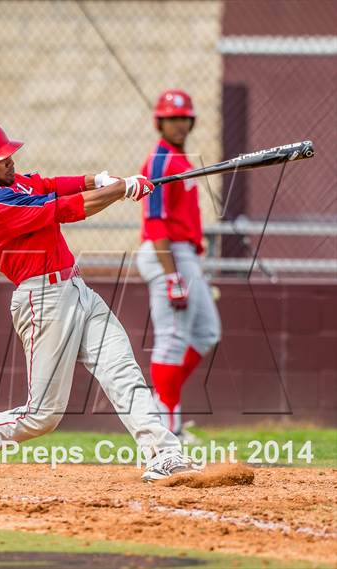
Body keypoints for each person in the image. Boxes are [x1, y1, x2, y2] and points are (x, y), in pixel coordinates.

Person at [0, 120, 200, 482]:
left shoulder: (7, 181)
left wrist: (98, 180)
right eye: (1, 159)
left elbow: (49, 184)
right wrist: (122, 190)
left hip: (77, 289)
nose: (10, 161)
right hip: (42, 300)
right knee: (43, 415)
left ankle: (164, 454)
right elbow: (66, 209)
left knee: (122, 371)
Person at [137, 90, 221, 441]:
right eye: (172, 118)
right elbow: (155, 220)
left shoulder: (180, 159)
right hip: (166, 253)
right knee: (171, 341)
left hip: (185, 255)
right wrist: (172, 274)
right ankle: (166, 428)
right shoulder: (159, 161)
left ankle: (161, 405)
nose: (180, 124)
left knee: (206, 333)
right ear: (160, 122)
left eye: (184, 117)